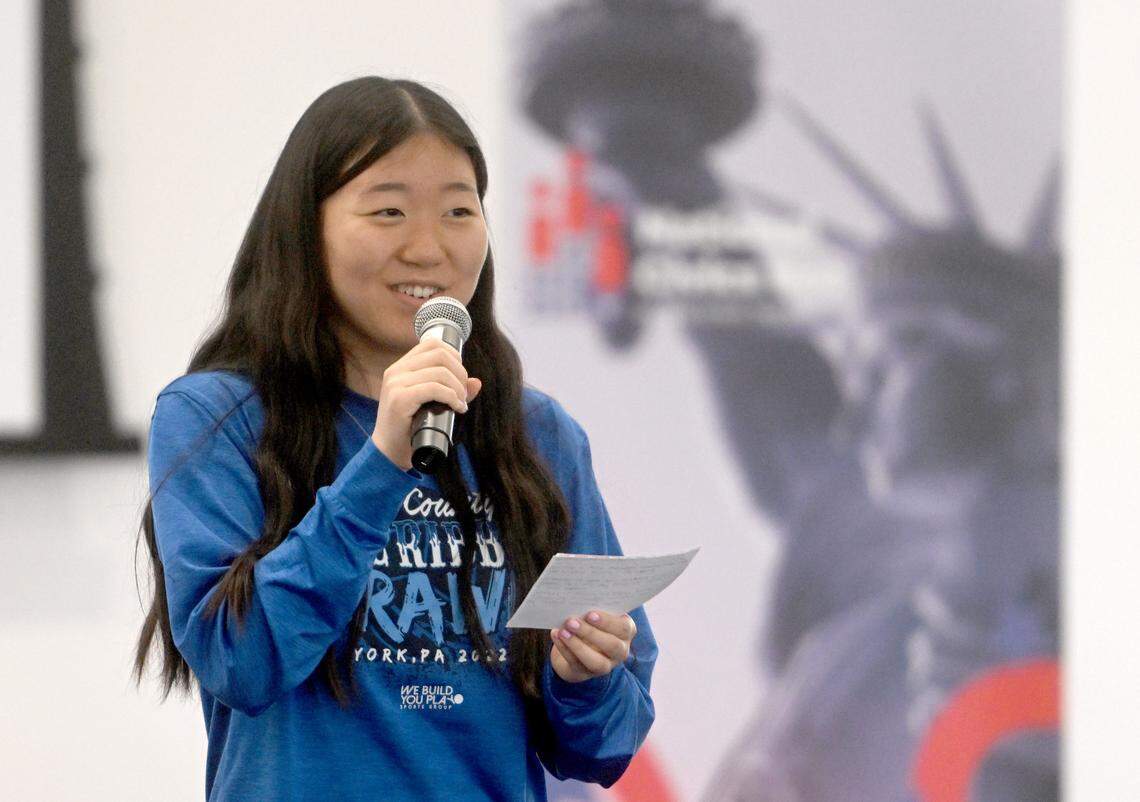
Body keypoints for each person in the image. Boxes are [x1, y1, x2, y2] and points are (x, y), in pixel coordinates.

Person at [131, 75, 657, 801]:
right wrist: (381, 464)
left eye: (458, 211)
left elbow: (609, 746)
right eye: (387, 211)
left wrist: (587, 678)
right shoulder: (217, 416)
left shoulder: (536, 435)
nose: (428, 248)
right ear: (306, 228)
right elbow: (240, 663)